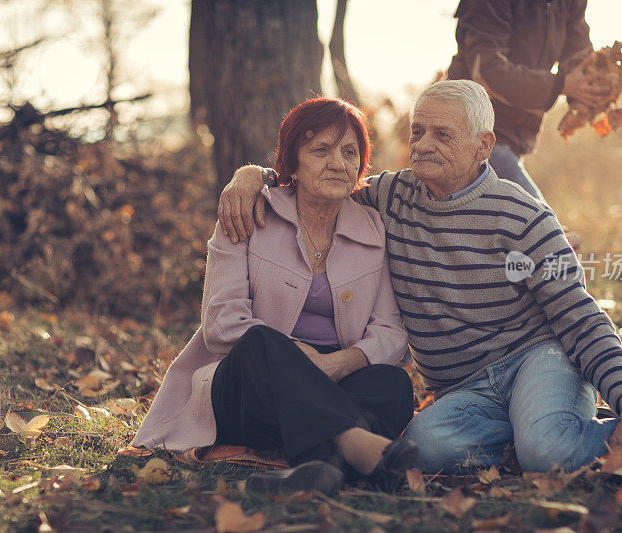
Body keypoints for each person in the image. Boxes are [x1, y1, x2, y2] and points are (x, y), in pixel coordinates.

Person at [217, 80, 622, 474]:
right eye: (417, 131)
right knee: (423, 450)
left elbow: (581, 318)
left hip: (537, 359)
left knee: (544, 452)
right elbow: (321, 173)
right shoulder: (390, 198)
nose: (423, 144)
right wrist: (251, 176)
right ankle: (542, 429)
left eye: (442, 134)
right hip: (465, 387)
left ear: (484, 145)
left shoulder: (523, 217)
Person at [132, 97, 418, 493]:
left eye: (350, 152)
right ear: (292, 163)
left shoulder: (372, 229)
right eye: (321, 150)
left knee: (393, 383)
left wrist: (333, 366)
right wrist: (299, 362)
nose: (338, 163)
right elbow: (221, 325)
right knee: (260, 341)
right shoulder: (247, 212)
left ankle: (320, 469)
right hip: (246, 394)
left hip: (330, 385)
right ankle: (355, 443)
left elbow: (389, 330)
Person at [446, 0, 611, 201]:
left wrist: (597, 86)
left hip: (511, 142)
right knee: (543, 228)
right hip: (469, 139)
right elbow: (488, 73)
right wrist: (562, 85)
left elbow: (578, 57)